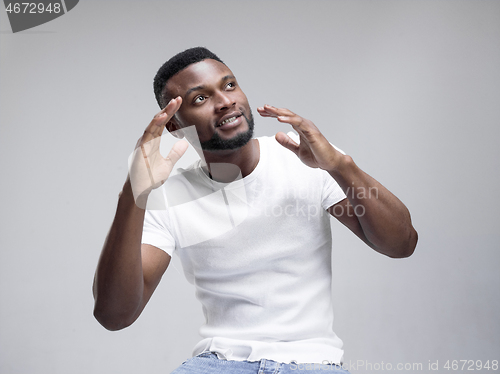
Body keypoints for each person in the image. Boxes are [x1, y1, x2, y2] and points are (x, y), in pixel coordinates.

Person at [93, 47, 418, 373]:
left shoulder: (305, 158)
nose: (224, 101)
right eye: (200, 99)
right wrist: (132, 194)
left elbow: (402, 244)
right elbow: (114, 315)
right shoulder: (168, 195)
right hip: (218, 362)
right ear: (176, 128)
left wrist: (340, 166)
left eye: (229, 85)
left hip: (312, 362)